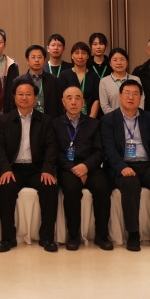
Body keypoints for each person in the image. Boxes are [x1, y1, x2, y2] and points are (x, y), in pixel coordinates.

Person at [100, 79, 150, 251]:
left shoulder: (148, 117)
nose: (130, 97)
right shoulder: (109, 119)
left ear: (141, 97)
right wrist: (122, 167)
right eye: (127, 93)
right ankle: (133, 233)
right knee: (131, 184)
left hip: (146, 164)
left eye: (135, 94)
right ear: (120, 96)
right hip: (122, 165)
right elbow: (109, 149)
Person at [0, 80, 60, 253]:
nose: (24, 98)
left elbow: (51, 147)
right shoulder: (4, 120)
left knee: (50, 187)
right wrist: (5, 169)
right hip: (13, 169)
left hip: (37, 169)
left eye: (28, 94)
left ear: (35, 97)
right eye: (21, 94)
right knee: (5, 187)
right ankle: (8, 238)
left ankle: (47, 237)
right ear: (14, 97)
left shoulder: (45, 120)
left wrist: (47, 169)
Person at [52, 86, 113, 251]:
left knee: (103, 188)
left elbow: (100, 151)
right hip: (67, 168)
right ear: (63, 102)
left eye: (77, 98)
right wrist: (73, 169)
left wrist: (86, 167)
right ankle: (73, 235)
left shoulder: (94, 124)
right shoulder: (55, 125)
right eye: (69, 98)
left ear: (83, 102)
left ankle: (102, 235)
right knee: (71, 189)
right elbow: (54, 152)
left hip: (90, 166)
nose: (73, 102)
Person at [4, 45, 62, 118]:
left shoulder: (53, 80)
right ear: (27, 60)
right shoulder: (18, 81)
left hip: (49, 121)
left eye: (39, 57)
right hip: (25, 120)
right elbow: (13, 104)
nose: (36, 60)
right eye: (33, 57)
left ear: (44, 60)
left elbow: (59, 104)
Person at [57, 41, 100, 118]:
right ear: (72, 56)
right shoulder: (64, 75)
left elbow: (96, 100)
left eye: (83, 53)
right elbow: (61, 98)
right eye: (76, 53)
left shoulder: (94, 76)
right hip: (69, 117)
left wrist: (91, 120)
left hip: (89, 117)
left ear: (88, 56)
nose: (80, 56)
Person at [98, 48, 141, 116]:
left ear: (127, 62)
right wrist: (119, 117)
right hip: (113, 119)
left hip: (134, 118)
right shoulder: (104, 81)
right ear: (110, 63)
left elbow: (140, 101)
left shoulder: (136, 79)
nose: (119, 63)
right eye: (115, 60)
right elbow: (105, 106)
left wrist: (132, 116)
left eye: (122, 59)